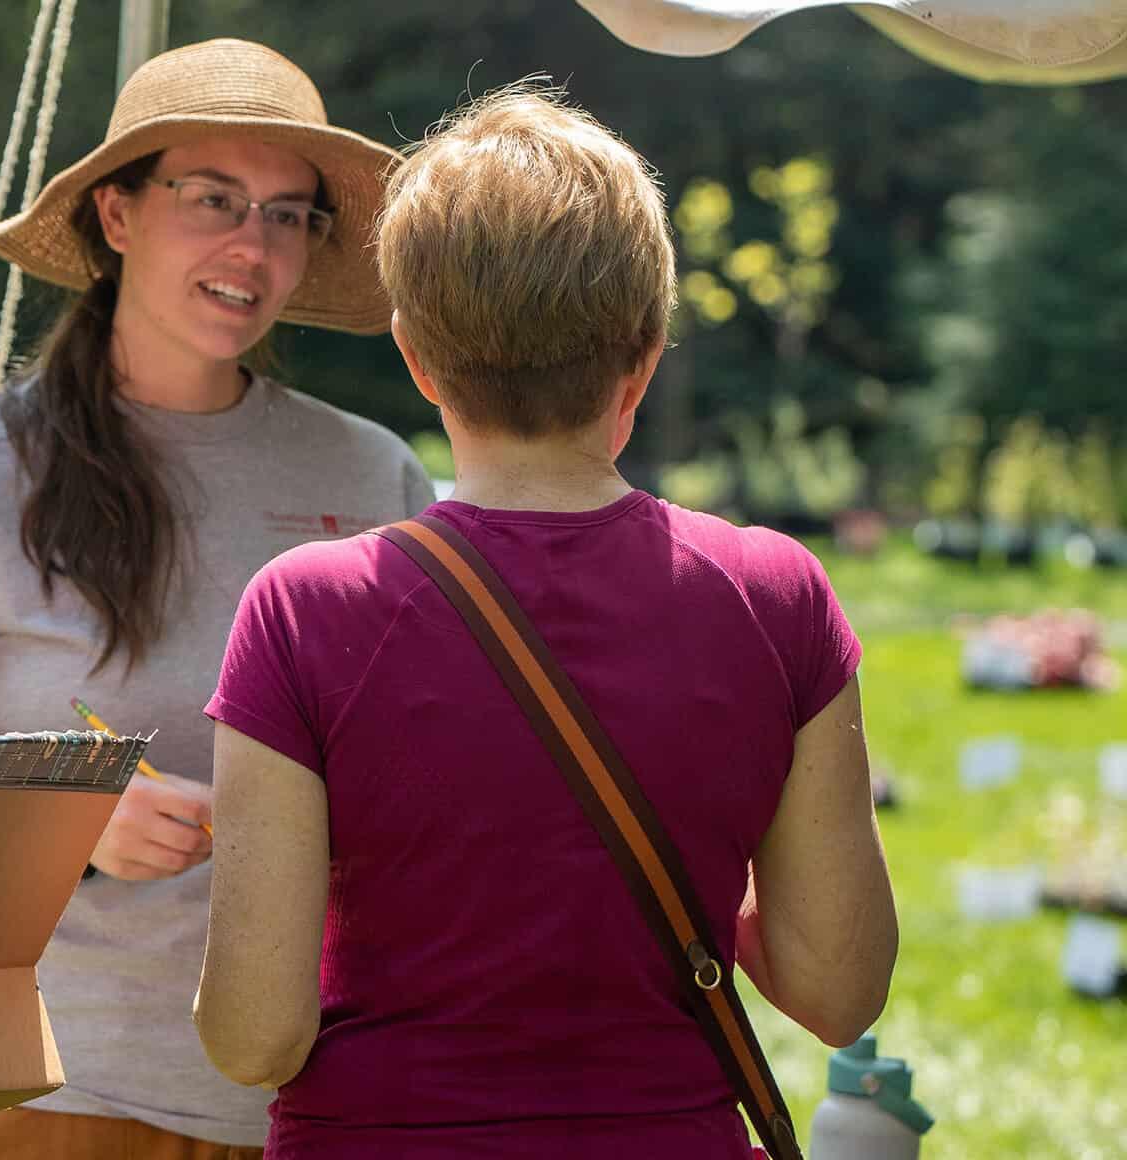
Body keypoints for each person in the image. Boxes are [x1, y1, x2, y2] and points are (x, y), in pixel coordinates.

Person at [196, 86, 898, 1157]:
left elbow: (254, 1033)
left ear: (417, 357)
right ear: (645, 354)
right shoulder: (775, 594)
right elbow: (840, 991)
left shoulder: (306, 608)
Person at [0, 40, 435, 1160]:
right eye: (211, 200)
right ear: (116, 215)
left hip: (319, 1083)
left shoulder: (375, 476)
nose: (252, 246)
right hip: (45, 1086)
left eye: (290, 215)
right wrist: (66, 817)